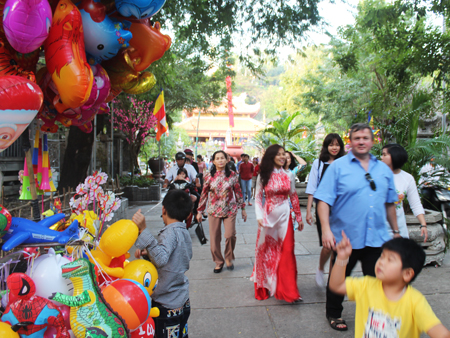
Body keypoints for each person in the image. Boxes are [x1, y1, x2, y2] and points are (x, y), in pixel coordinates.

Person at [314, 123, 400, 331]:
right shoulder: (337, 167)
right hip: (346, 238)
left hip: (377, 237)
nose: (361, 141)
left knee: (378, 279)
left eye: (365, 138)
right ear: (350, 142)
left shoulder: (383, 170)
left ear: (372, 141)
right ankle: (334, 313)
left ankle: (377, 315)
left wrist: (396, 232)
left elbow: (389, 202)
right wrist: (326, 229)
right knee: (340, 276)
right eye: (357, 138)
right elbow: (323, 201)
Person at [329, 234, 450, 338]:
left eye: (390, 259)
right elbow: (337, 285)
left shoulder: (415, 302)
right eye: (382, 256)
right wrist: (342, 258)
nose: (381, 261)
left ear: (407, 273)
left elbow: (440, 333)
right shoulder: (366, 285)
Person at [133, 190, 193, 338]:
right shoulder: (183, 232)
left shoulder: (169, 233)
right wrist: (149, 253)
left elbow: (160, 259)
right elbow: (176, 256)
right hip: (182, 300)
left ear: (163, 209)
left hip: (167, 304)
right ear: (188, 214)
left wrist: (143, 230)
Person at [251, 144, 304, 303]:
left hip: (285, 216)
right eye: (279, 155)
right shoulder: (264, 175)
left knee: (287, 250)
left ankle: (289, 291)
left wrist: (299, 217)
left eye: (284, 155)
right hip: (267, 218)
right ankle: (265, 286)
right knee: (267, 251)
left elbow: (293, 196)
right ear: (271, 156)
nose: (283, 157)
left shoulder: (288, 175)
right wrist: (259, 216)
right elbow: (258, 197)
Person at [305, 133, 345, 288]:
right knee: (328, 246)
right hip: (324, 209)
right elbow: (312, 188)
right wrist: (309, 211)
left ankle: (332, 280)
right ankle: (321, 268)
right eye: (331, 144)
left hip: (341, 209)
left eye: (337, 144)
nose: (334, 148)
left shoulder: (345, 163)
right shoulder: (319, 163)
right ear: (326, 146)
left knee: (337, 246)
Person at [196, 150, 247, 273]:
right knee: (214, 240)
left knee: (230, 235)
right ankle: (218, 262)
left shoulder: (233, 175)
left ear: (227, 159)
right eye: (217, 158)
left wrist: (243, 208)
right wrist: (199, 211)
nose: (220, 160)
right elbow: (203, 195)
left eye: (222, 158)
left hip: (230, 209)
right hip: (213, 210)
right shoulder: (208, 176)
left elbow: (238, 192)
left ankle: (229, 257)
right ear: (213, 161)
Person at [381, 144, 428, 241]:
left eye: (384, 155)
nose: (381, 157)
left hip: (399, 230)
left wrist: (423, 224)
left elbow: (415, 204)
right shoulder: (376, 175)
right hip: (377, 231)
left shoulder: (407, 178)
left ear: (394, 156)